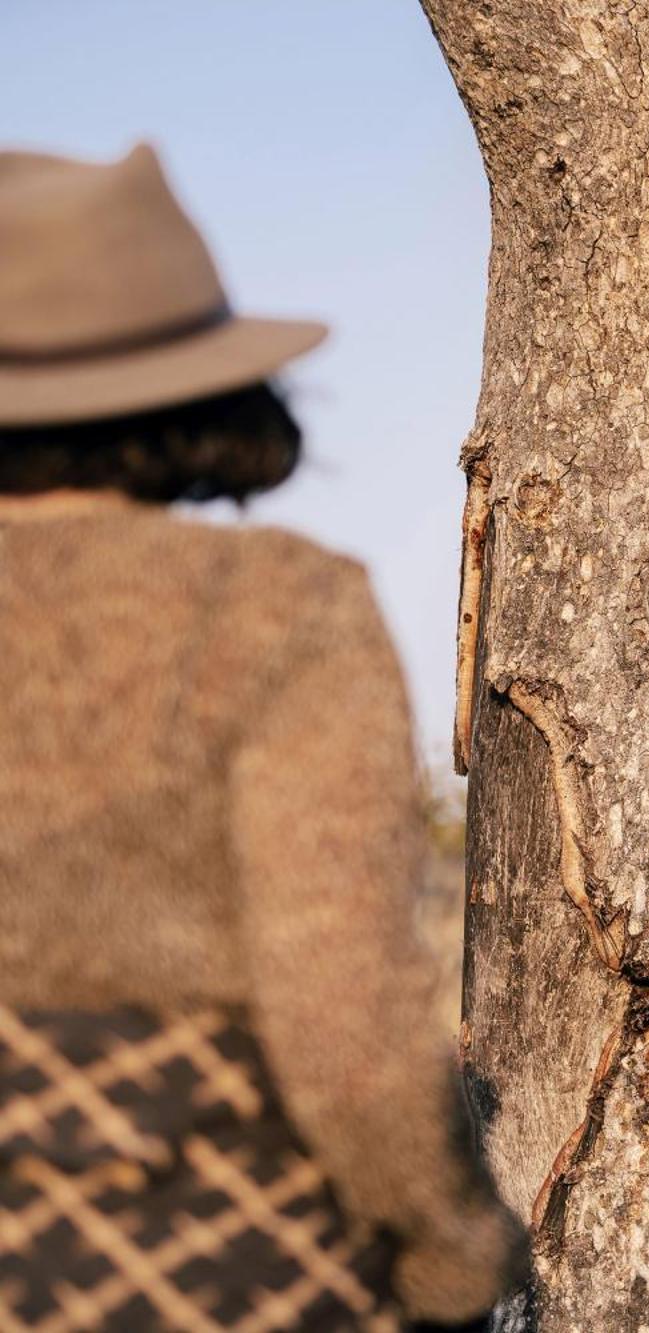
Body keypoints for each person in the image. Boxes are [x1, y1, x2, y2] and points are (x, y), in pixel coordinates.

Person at [0, 145, 526, 1329]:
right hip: (191, 1242)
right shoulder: (279, 607)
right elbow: (342, 1001)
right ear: (202, 380)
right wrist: (451, 1249)